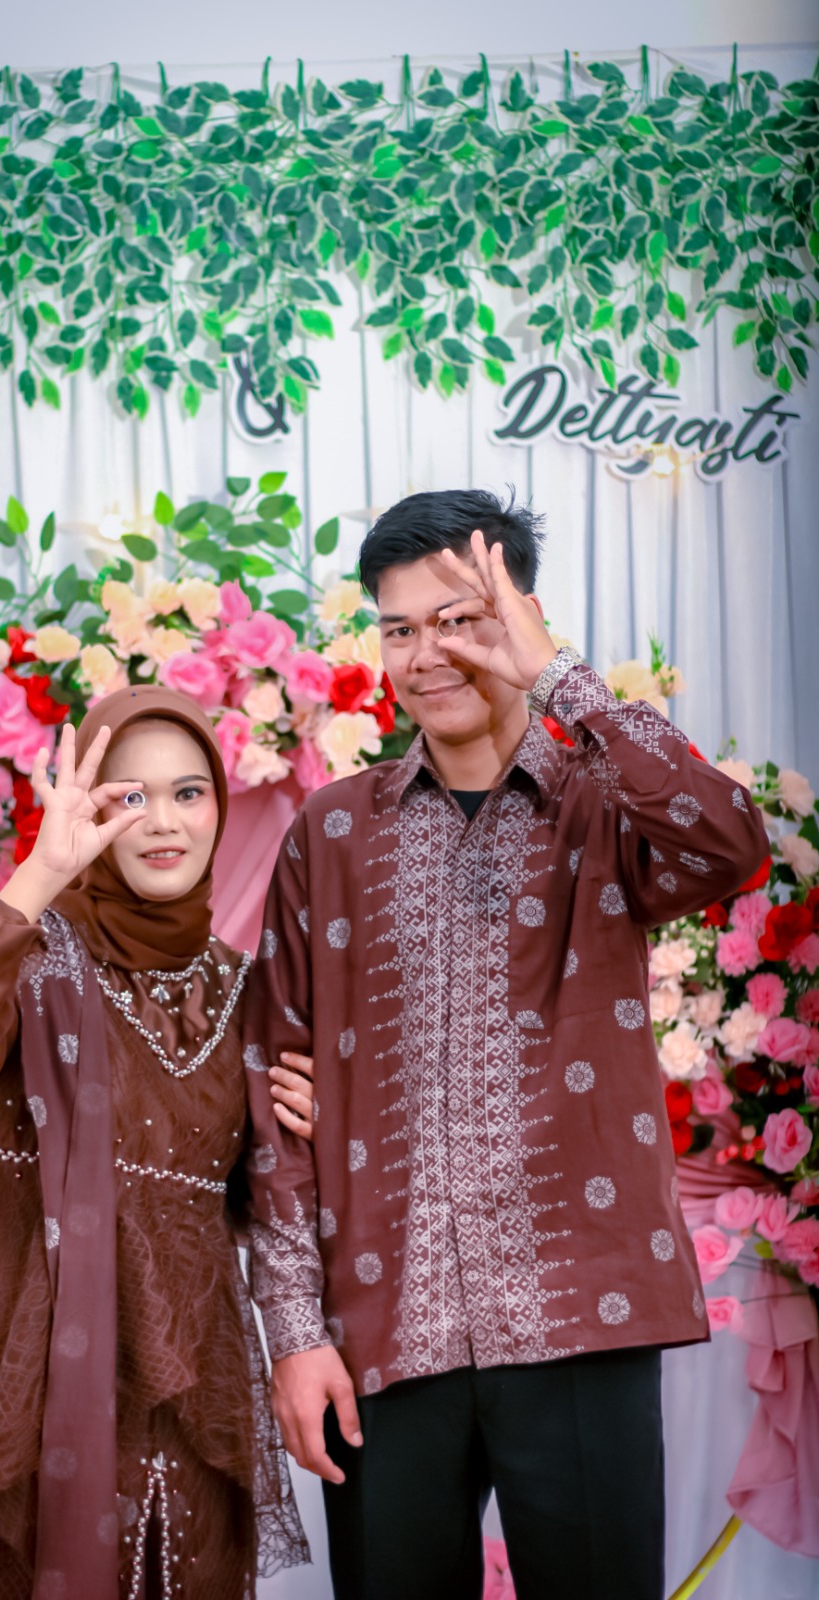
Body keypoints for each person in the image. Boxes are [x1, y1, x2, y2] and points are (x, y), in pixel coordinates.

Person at [242, 490, 770, 1600]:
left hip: (582, 1308)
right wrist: (292, 1331)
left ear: (521, 617)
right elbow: (271, 1083)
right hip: (384, 1319)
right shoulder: (331, 832)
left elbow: (729, 842)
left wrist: (558, 679)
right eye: (398, 628)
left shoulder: (603, 808)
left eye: (459, 621)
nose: (425, 654)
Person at [0, 686, 312, 1600]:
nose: (164, 823)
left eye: (189, 793)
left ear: (221, 807)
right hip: (22, 1352)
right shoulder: (26, 957)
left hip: (189, 1366)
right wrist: (39, 873)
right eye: (130, 796)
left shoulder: (248, 990)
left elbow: (264, 1195)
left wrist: (315, 1114)